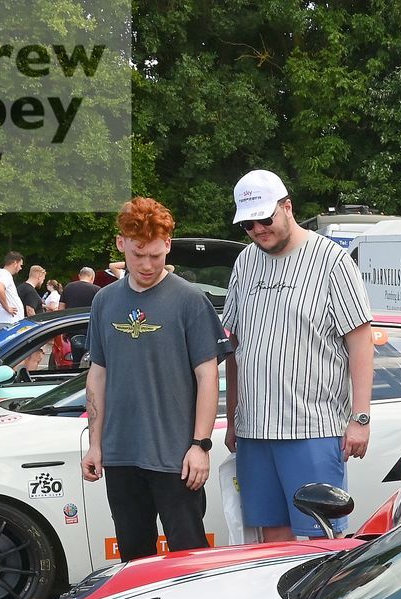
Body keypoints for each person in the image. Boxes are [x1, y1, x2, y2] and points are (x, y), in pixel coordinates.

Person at [222, 169, 375, 540]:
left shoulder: (333, 262)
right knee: (270, 537)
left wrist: (361, 418)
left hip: (313, 428)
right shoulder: (245, 262)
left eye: (265, 219)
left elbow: (361, 342)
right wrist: (232, 419)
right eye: (248, 225)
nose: (258, 230)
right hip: (254, 430)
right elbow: (233, 345)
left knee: (320, 538)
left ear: (287, 207)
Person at [82, 197, 225, 562]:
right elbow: (98, 374)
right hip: (121, 454)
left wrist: (200, 445)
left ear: (168, 246)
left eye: (155, 256)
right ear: (121, 245)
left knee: (189, 556)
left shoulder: (190, 300)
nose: (146, 265)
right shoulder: (104, 301)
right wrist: (95, 445)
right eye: (137, 254)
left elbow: (208, 375)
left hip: (176, 457)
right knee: (134, 560)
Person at [59, 268, 99, 369]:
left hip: (72, 329)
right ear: (92, 277)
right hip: (90, 330)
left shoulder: (68, 288)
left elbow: (61, 310)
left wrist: (63, 329)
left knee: (76, 360)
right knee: (91, 361)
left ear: (79, 276)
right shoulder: (97, 289)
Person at [0, 252, 25, 332]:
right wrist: (6, 307)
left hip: (2, 320)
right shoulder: (5, 274)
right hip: (9, 321)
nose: (20, 268)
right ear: (15, 263)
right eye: (20, 265)